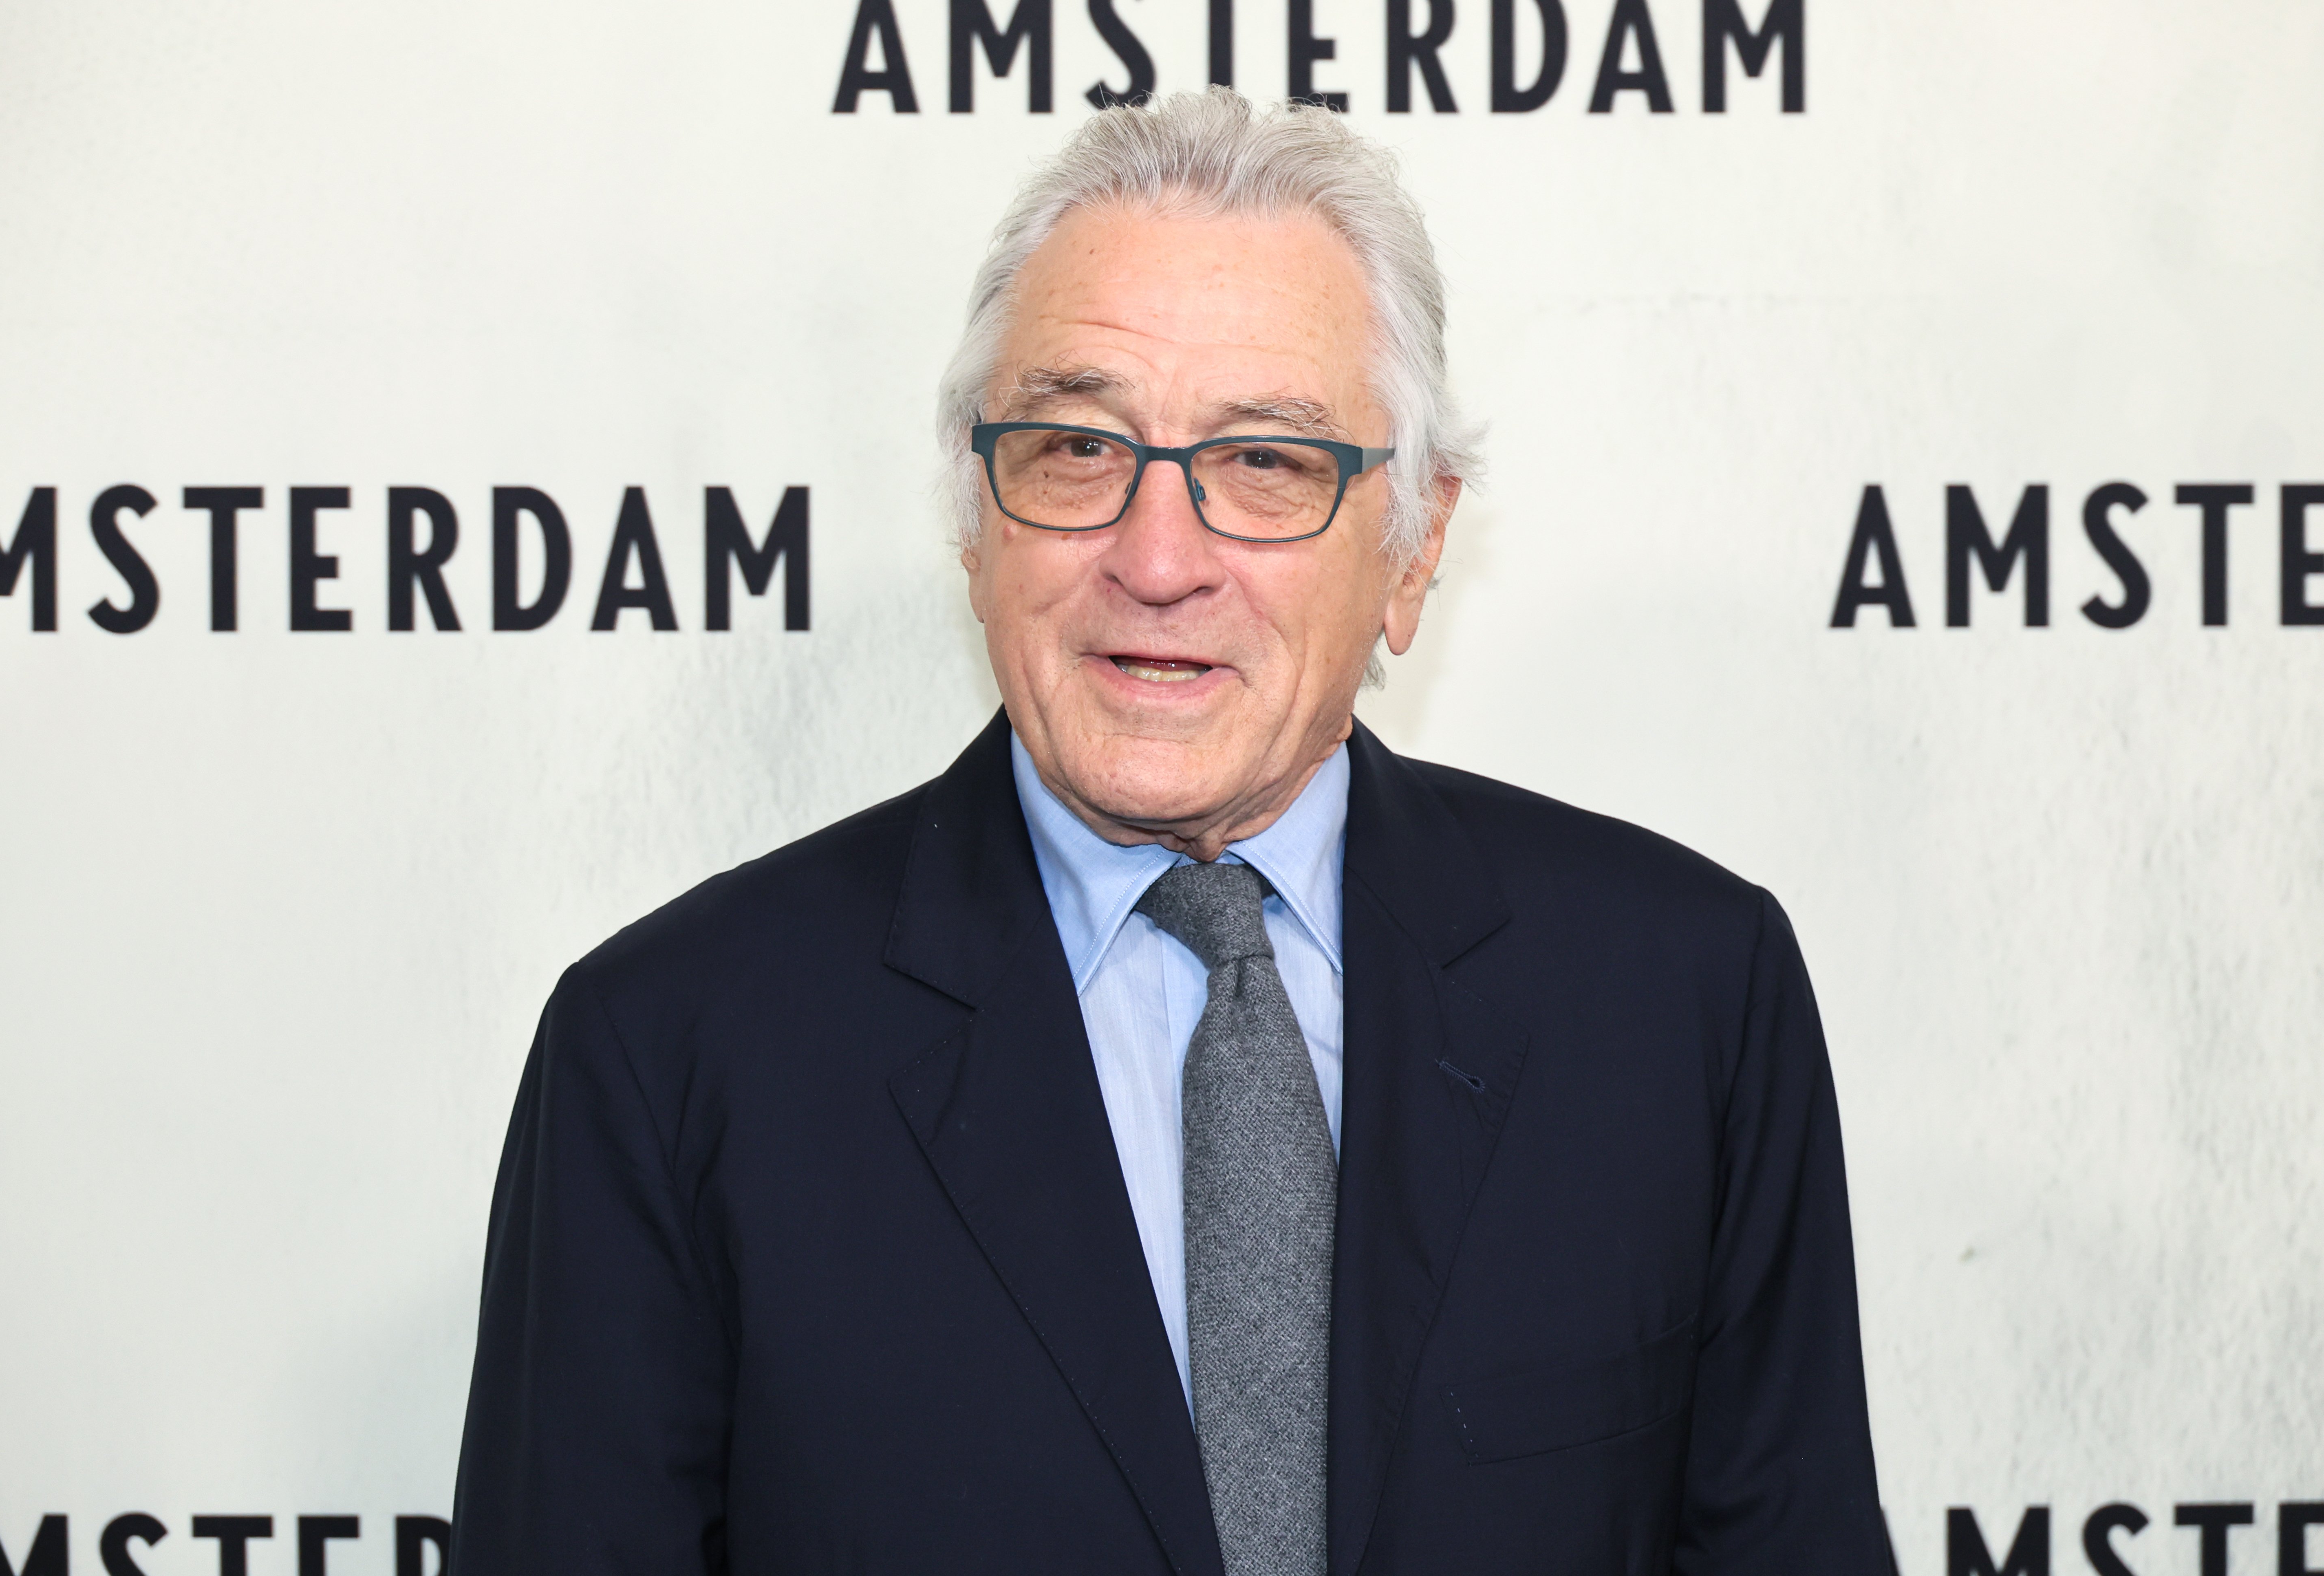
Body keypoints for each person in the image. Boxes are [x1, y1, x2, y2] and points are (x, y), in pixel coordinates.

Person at [450, 90, 1888, 1575]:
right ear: (973, 519)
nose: (1155, 557)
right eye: (1076, 450)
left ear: (1417, 543)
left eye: (1265, 464)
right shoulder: (669, 1057)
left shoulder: (1683, 1003)